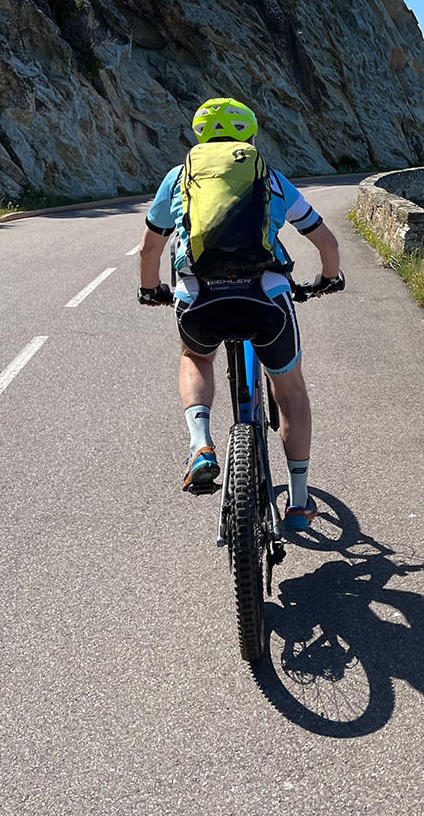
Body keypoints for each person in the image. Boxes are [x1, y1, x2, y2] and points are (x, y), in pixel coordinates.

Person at [136, 97, 344, 530]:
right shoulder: (270, 177)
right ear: (250, 136)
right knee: (290, 392)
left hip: (200, 299)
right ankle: (299, 502)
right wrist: (328, 279)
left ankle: (200, 445)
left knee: (196, 357)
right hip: (265, 298)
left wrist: (150, 290)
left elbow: (149, 249)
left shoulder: (179, 178)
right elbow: (327, 242)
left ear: (199, 136)